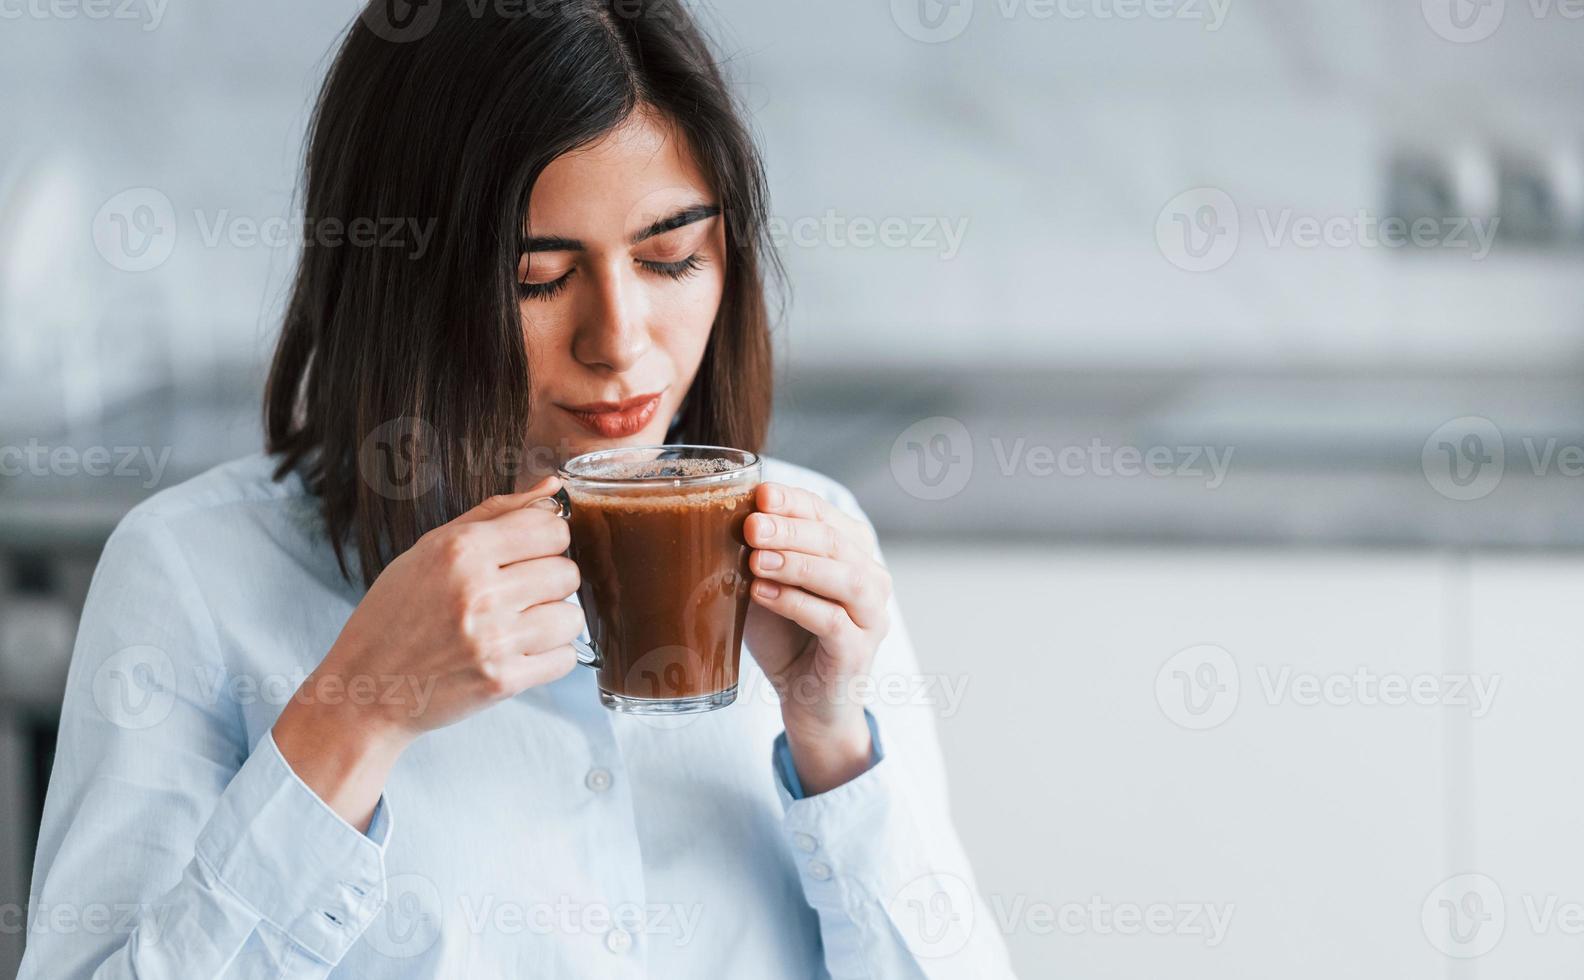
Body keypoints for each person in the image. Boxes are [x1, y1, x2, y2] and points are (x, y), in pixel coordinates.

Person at [20, 2, 1013, 976]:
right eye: (538, 277)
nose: (619, 341)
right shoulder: (196, 575)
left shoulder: (815, 541)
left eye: (671, 257)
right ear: (401, 283)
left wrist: (836, 740)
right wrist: (356, 714)